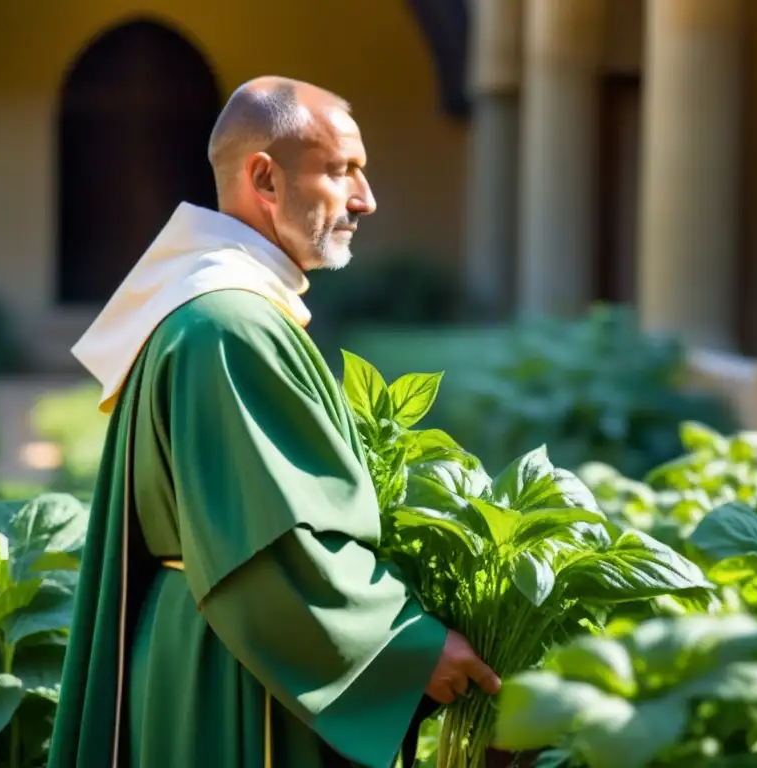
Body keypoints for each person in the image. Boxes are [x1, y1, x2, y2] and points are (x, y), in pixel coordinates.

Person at [48, 76, 500, 768]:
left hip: (214, 643)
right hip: (239, 669)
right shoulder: (230, 324)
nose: (365, 198)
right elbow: (272, 548)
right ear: (265, 177)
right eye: (343, 169)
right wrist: (409, 645)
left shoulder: (220, 308)